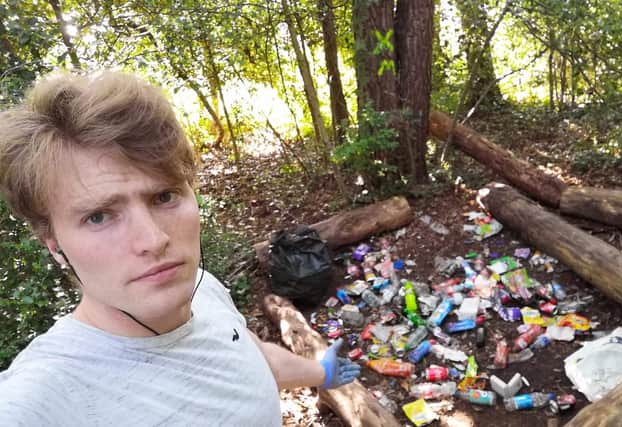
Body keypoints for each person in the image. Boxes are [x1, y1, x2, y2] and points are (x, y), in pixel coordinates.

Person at [0, 71, 360, 425]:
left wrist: (320, 373)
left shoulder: (201, 288)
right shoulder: (43, 396)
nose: (154, 240)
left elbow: (246, 356)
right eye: (98, 216)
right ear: (56, 247)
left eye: (164, 196)